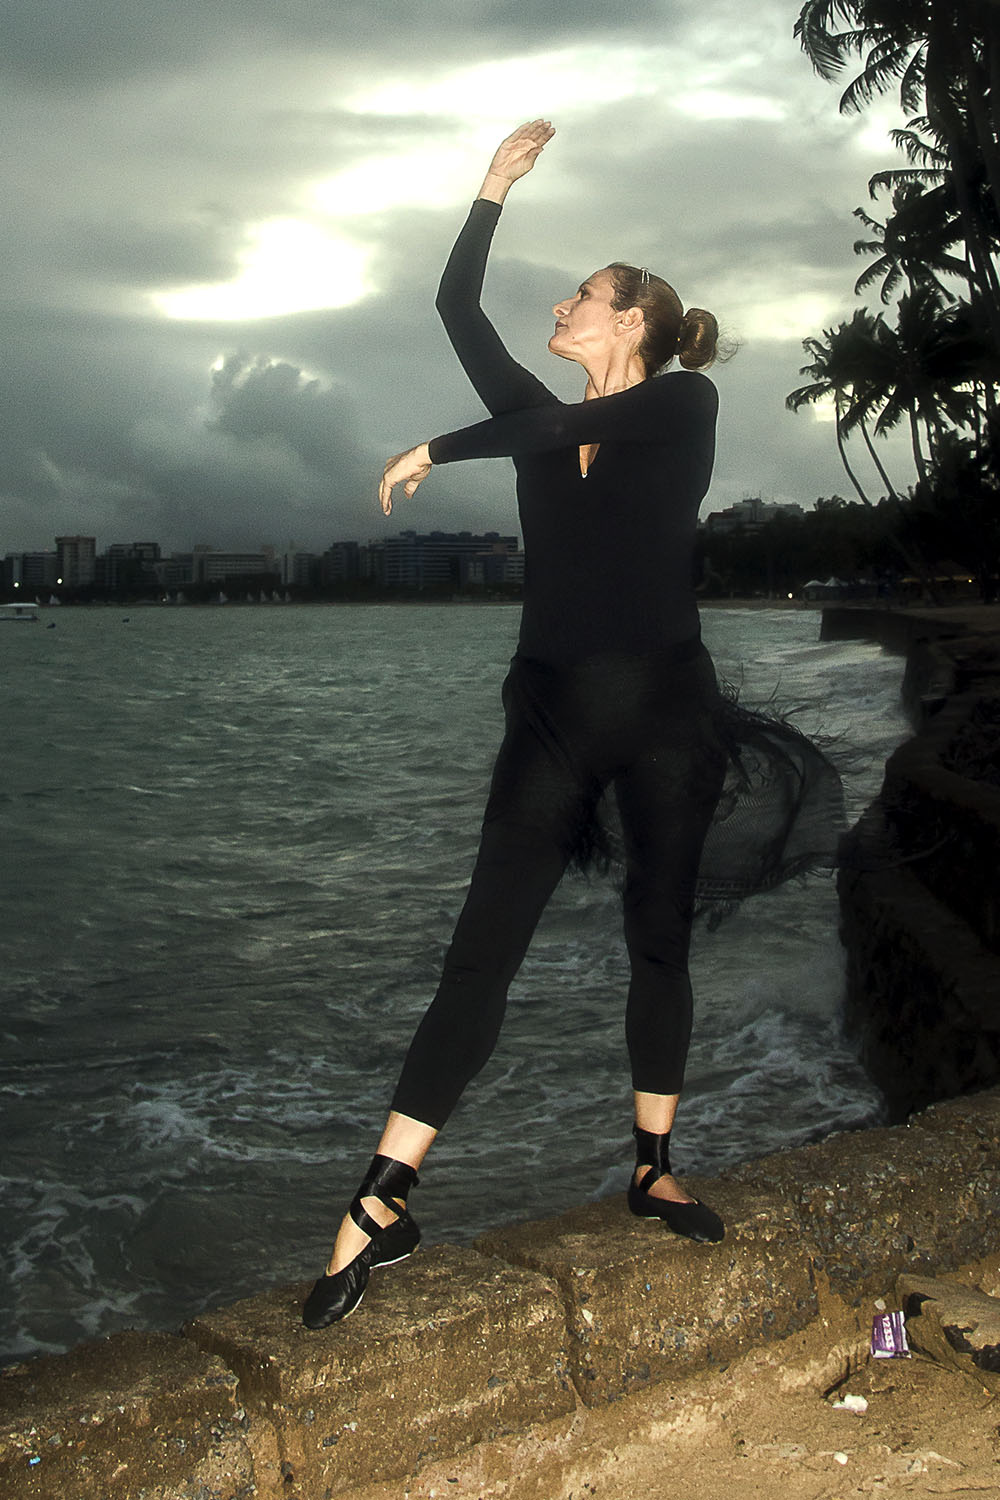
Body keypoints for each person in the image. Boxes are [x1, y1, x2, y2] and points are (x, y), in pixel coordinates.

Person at [303, 120, 839, 1330]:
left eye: (583, 295)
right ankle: (383, 1198)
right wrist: (491, 187)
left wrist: (437, 446)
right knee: (479, 952)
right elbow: (455, 309)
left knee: (659, 939)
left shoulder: (683, 402)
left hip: (662, 714)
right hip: (548, 716)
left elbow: (549, 431)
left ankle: (652, 1166)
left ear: (631, 320)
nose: (562, 304)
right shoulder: (544, 415)